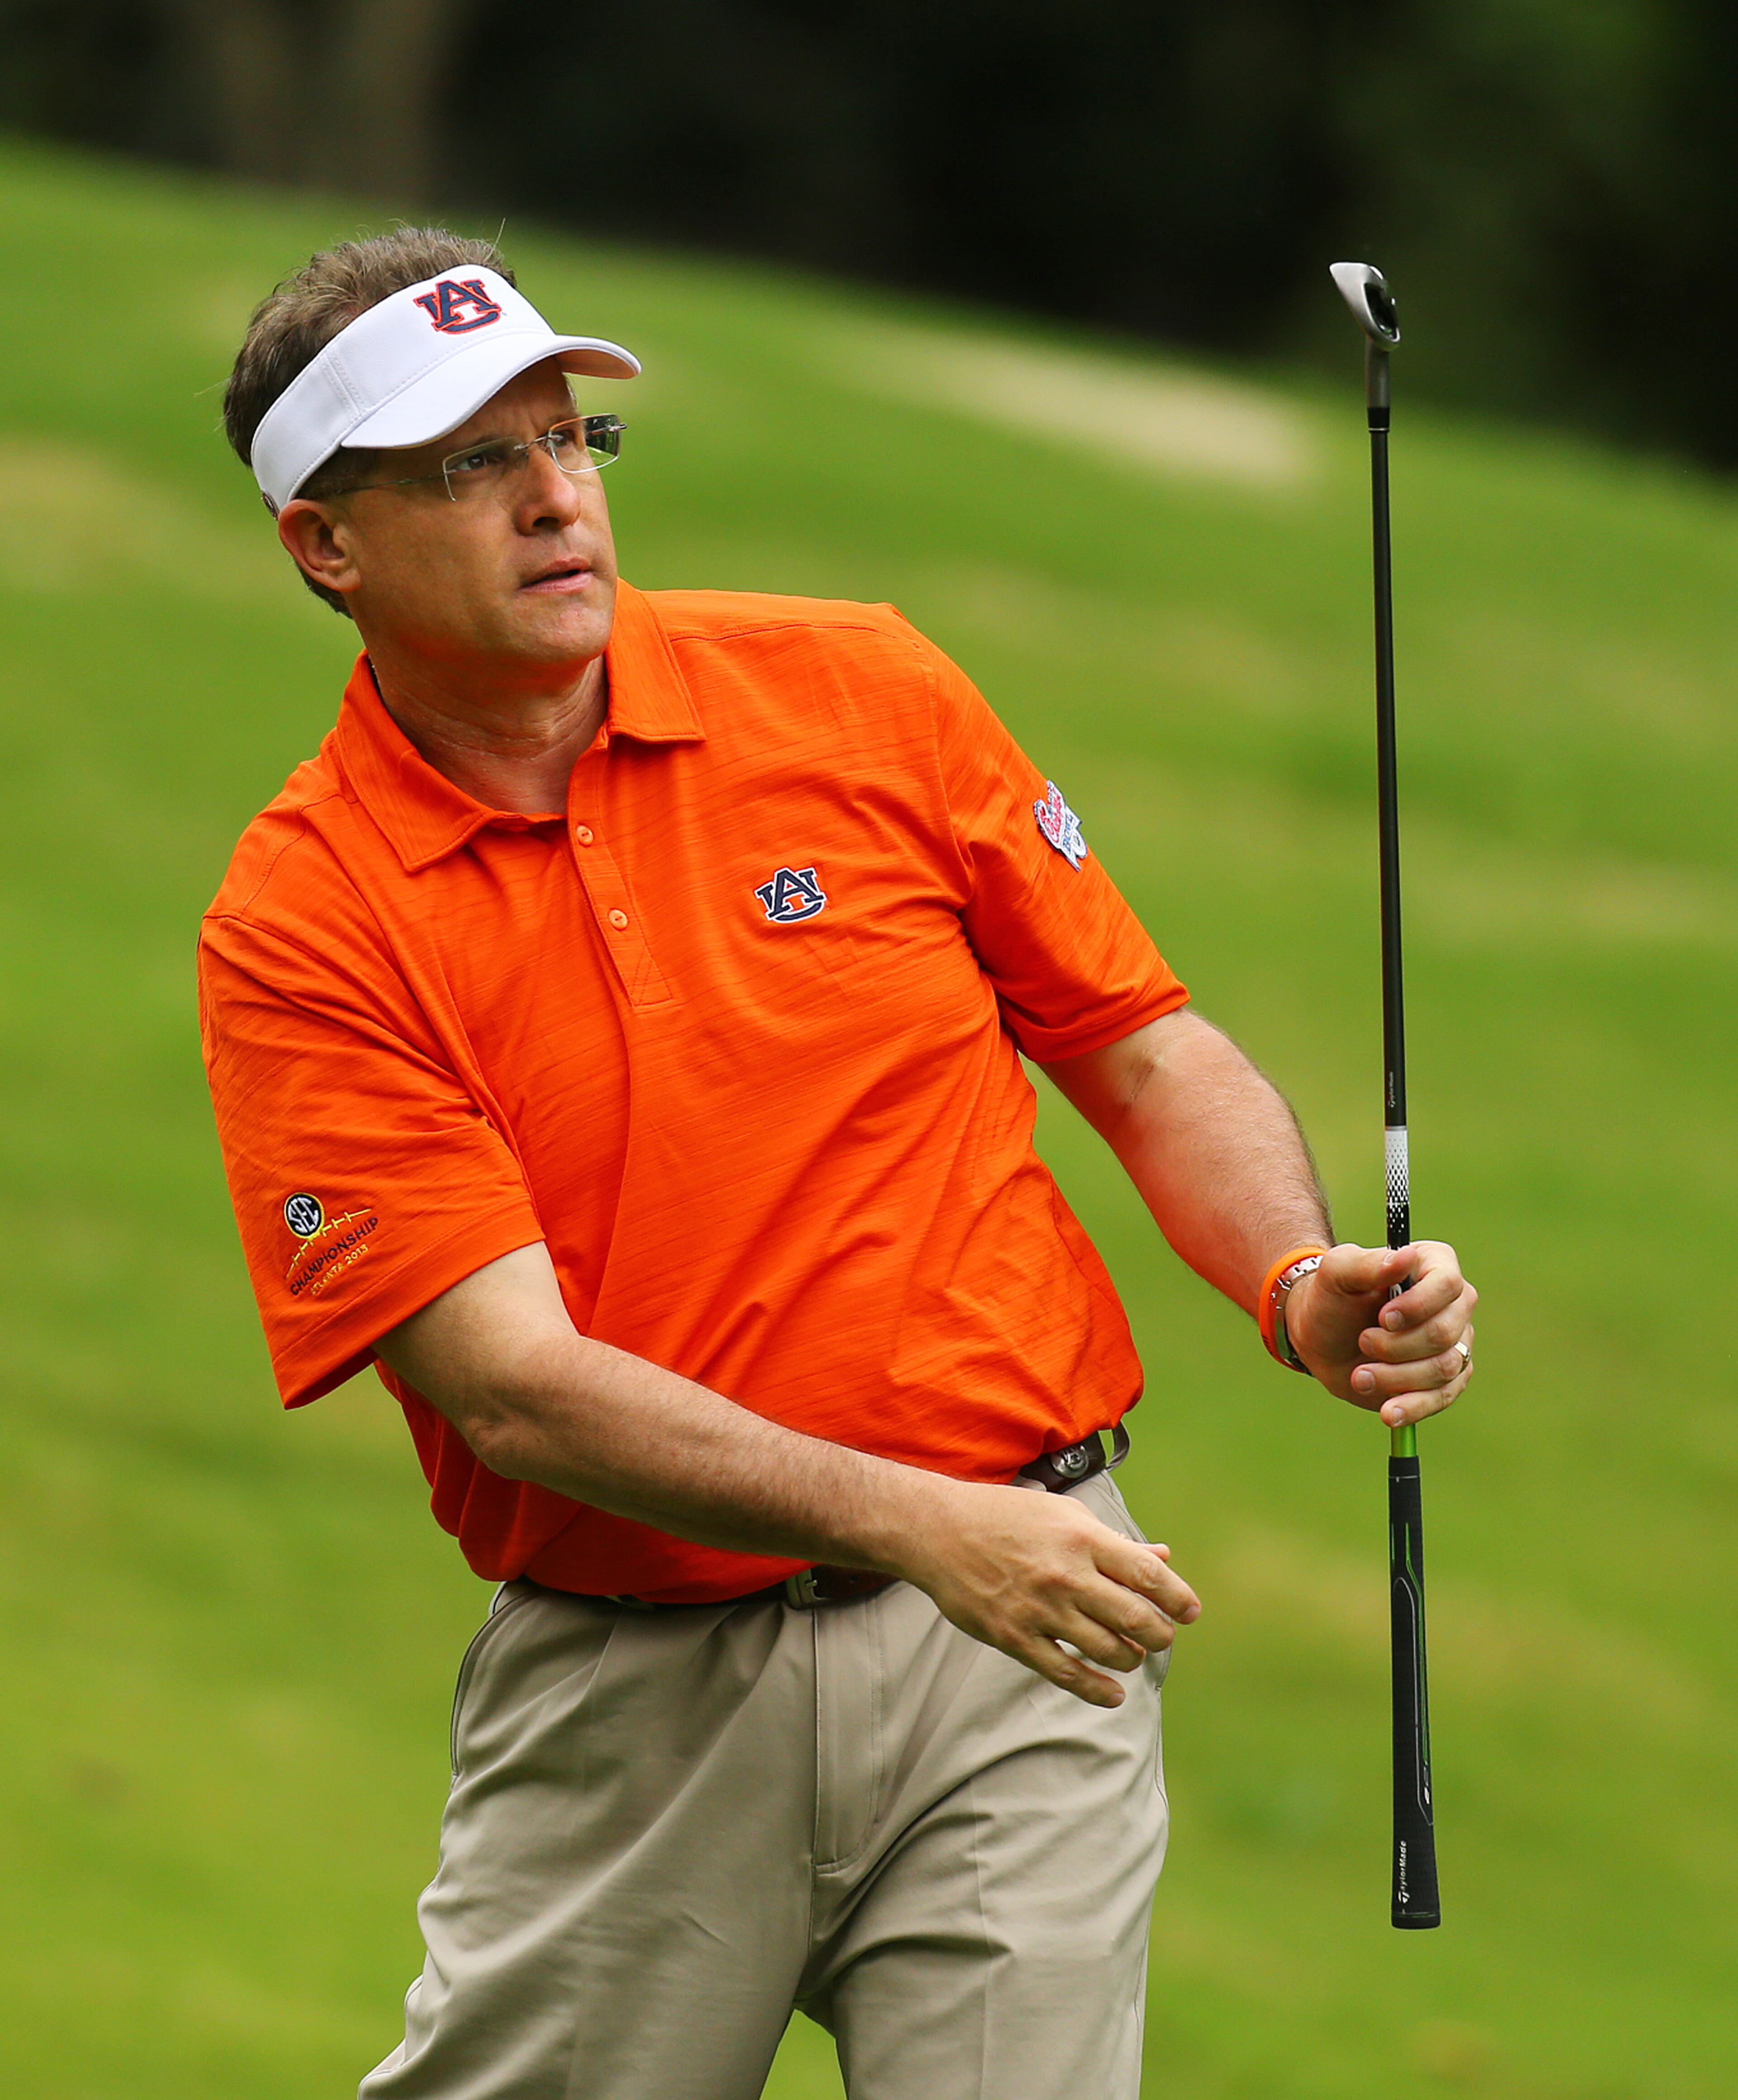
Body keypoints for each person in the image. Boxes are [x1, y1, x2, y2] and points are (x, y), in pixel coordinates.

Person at [201, 228, 1476, 2100]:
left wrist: (1298, 1281)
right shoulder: (306, 919)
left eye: (573, 441)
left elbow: (1139, 1048)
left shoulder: (859, 688)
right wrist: (914, 1521)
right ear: (328, 543)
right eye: (476, 463)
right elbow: (513, 1386)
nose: (559, 496)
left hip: (1027, 1637)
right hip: (639, 1696)